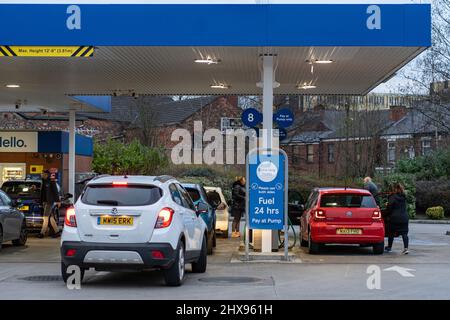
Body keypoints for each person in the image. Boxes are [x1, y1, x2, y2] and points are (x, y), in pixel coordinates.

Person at [384, 183, 409, 254]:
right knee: (404, 233)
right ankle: (406, 248)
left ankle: (389, 247)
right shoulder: (403, 197)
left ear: (395, 189)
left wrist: (386, 211)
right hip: (404, 218)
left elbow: (389, 209)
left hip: (394, 218)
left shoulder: (392, 197)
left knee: (391, 233)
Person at [38, 170, 61, 239]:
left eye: (42, 174)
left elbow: (55, 192)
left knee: (45, 217)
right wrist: (41, 202)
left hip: (49, 202)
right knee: (50, 217)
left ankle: (42, 233)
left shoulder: (51, 181)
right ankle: (57, 232)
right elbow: (43, 192)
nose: (41, 175)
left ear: (46, 174)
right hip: (45, 202)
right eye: (41, 173)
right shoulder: (43, 181)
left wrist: (58, 201)